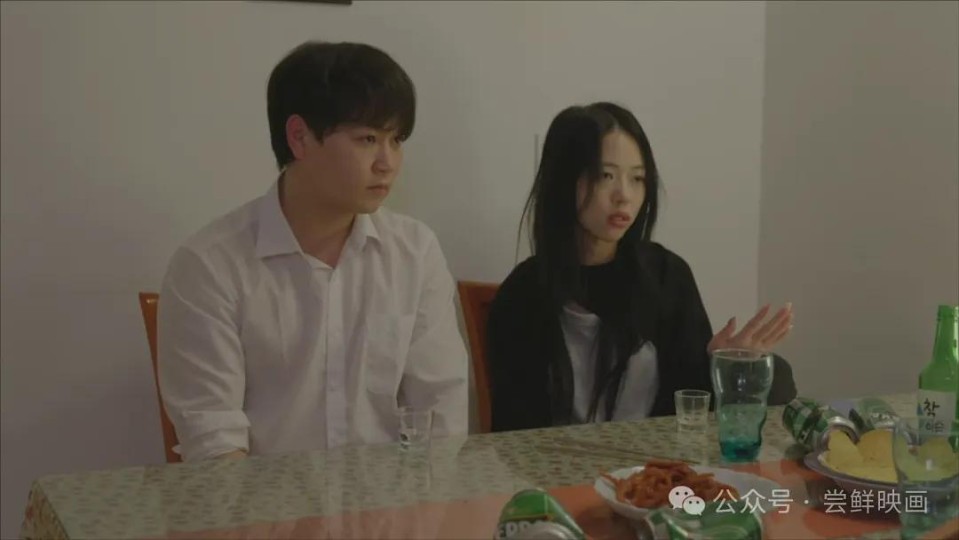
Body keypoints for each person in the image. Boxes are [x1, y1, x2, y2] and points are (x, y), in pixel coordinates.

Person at [157, 41, 469, 461]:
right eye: (368, 138)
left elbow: (441, 415)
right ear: (299, 137)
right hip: (260, 502)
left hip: (394, 499)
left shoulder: (415, 251)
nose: (388, 162)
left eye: (396, 140)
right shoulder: (210, 265)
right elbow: (215, 444)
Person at [486, 102, 796, 432]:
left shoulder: (666, 277)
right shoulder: (522, 295)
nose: (624, 195)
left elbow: (690, 416)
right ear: (564, 180)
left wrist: (721, 369)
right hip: (555, 466)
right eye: (605, 176)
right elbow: (512, 437)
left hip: (656, 464)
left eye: (637, 178)